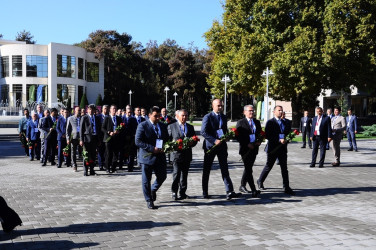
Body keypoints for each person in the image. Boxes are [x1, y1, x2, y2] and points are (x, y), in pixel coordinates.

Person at [201, 99, 241, 200]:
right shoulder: (208, 117)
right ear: (213, 106)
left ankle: (229, 191)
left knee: (225, 169)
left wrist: (227, 136)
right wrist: (214, 140)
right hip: (211, 146)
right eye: (218, 106)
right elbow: (203, 132)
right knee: (207, 169)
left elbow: (223, 130)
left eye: (221, 106)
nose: (220, 107)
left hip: (222, 146)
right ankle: (205, 191)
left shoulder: (223, 116)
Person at [135, 107, 169, 209]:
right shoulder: (143, 125)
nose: (158, 118)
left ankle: (153, 189)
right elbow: (138, 141)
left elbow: (166, 138)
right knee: (146, 180)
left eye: (159, 116)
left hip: (160, 156)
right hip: (147, 157)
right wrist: (151, 148)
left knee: (162, 176)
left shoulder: (162, 126)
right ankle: (149, 200)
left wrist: (165, 147)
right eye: (155, 116)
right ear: (149, 115)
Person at [257, 106, 295, 195]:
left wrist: (288, 139)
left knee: (284, 168)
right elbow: (268, 135)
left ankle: (286, 186)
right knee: (268, 166)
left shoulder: (286, 122)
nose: (281, 112)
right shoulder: (270, 122)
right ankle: (260, 180)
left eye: (282, 110)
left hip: (282, 148)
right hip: (273, 148)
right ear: (274, 112)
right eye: (279, 110)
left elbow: (288, 133)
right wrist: (279, 139)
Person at [168, 109, 197, 200]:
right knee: (176, 174)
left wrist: (192, 143)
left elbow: (194, 139)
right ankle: (174, 192)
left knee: (184, 175)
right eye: (183, 115)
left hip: (187, 154)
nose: (184, 117)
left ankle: (182, 192)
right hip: (176, 155)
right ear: (177, 116)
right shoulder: (172, 126)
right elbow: (167, 140)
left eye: (186, 115)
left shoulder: (190, 127)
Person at [236, 105, 262, 197]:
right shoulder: (241, 122)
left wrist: (259, 141)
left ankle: (242, 185)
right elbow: (238, 136)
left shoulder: (256, 122)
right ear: (245, 112)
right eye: (250, 111)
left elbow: (260, 133)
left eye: (253, 111)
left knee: (248, 168)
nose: (252, 112)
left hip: (254, 149)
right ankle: (253, 189)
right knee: (248, 169)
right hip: (245, 149)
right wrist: (247, 144)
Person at [80, 104, 101, 176]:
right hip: (86, 138)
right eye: (89, 109)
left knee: (93, 155)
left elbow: (99, 129)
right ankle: (85, 170)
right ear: (87, 110)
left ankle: (92, 170)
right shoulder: (84, 117)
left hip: (94, 138)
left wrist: (99, 139)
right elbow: (81, 129)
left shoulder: (97, 118)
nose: (91, 110)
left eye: (92, 109)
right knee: (86, 154)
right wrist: (81, 139)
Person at [101, 105, 123, 173]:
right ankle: (107, 167)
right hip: (108, 138)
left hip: (116, 139)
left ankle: (113, 168)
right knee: (109, 154)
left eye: (115, 108)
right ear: (110, 110)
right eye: (113, 108)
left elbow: (122, 127)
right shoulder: (107, 118)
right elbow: (102, 128)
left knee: (115, 154)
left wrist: (119, 131)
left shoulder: (119, 118)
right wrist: (108, 132)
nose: (114, 110)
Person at [121, 107, 138, 172]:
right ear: (125, 112)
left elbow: (135, 128)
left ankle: (130, 167)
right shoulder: (122, 118)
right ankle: (121, 165)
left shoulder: (133, 119)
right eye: (128, 112)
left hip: (131, 138)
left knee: (131, 153)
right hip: (124, 138)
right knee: (123, 152)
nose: (129, 113)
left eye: (130, 112)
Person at [66, 107, 81, 172]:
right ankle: (74, 165)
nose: (79, 111)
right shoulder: (70, 118)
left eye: (80, 110)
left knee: (83, 151)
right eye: (78, 110)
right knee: (73, 152)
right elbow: (68, 130)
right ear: (74, 111)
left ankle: (86, 165)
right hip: (73, 137)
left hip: (81, 137)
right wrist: (68, 138)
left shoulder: (82, 118)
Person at [97, 105, 109, 170]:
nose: (106, 110)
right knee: (100, 151)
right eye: (104, 108)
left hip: (107, 136)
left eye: (107, 109)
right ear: (102, 109)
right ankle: (100, 164)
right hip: (100, 137)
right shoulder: (98, 117)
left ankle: (105, 164)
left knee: (106, 151)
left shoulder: (109, 117)